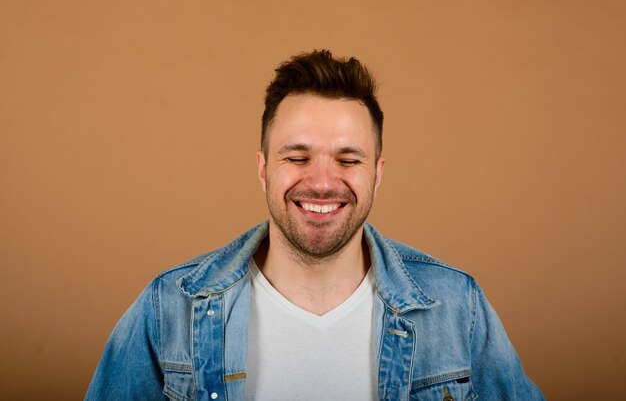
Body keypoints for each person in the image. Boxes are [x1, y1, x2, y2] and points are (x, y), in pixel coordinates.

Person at [86, 50, 544, 400]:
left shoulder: (455, 306)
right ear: (263, 168)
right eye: (297, 157)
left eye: (348, 159)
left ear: (377, 174)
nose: (322, 182)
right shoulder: (170, 307)